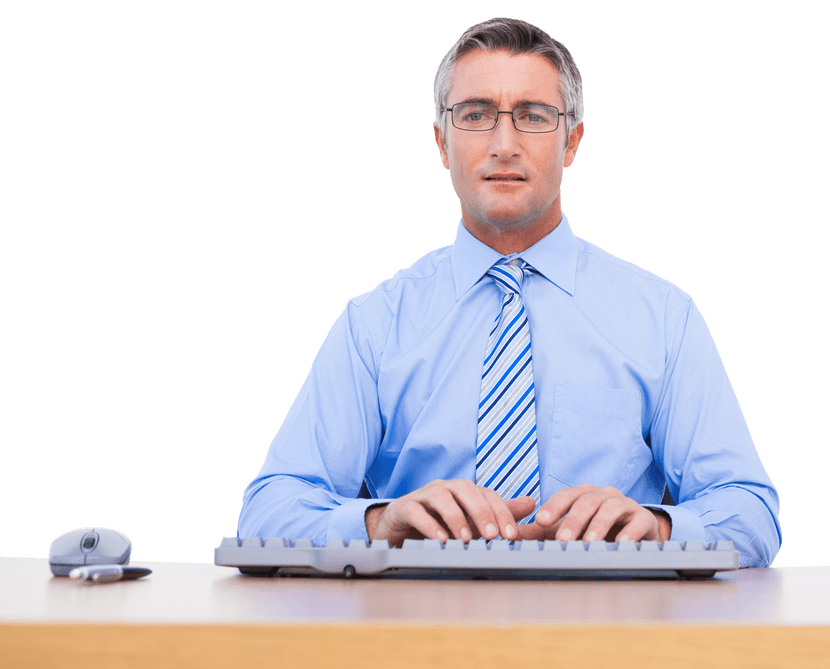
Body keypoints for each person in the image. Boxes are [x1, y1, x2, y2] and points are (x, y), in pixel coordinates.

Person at [236, 17, 782, 567]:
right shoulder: (374, 325)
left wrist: (660, 530)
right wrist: (379, 523)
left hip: (608, 619)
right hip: (418, 619)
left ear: (572, 142)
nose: (504, 145)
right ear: (441, 143)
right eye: (475, 115)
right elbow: (268, 512)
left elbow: (751, 513)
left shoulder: (663, 317)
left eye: (533, 116)